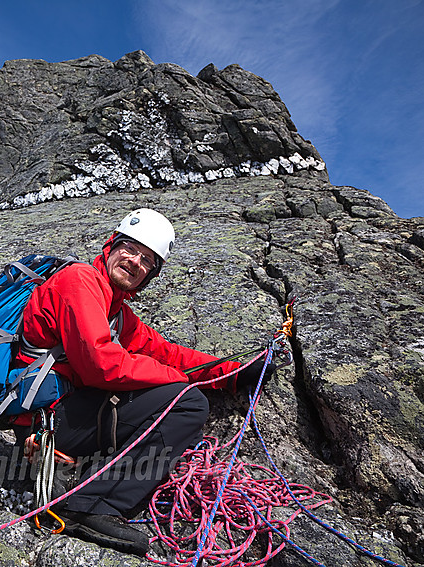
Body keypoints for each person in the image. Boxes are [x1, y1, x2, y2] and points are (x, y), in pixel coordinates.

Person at [15, 208, 271, 556]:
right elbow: (100, 366)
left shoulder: (116, 311)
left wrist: (232, 373)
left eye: (147, 260)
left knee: (179, 397)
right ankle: (91, 505)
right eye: (131, 249)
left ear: (149, 275)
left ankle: (83, 481)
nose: (136, 262)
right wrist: (179, 382)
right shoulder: (80, 281)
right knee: (186, 403)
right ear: (112, 245)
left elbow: (166, 352)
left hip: (63, 415)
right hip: (43, 422)